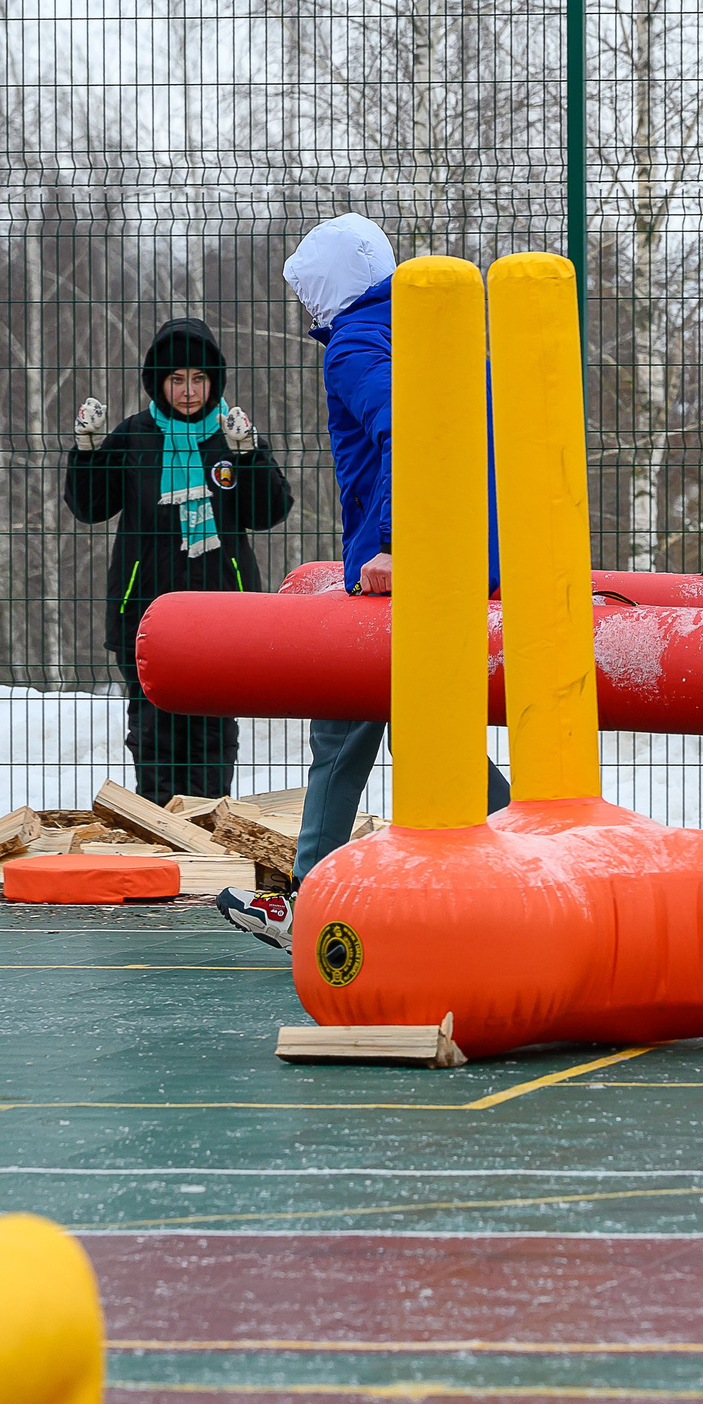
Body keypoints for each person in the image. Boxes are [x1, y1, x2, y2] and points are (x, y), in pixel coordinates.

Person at [215, 214, 509, 954]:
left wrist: (384, 544)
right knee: (424, 724)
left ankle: (309, 902)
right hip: (464, 556)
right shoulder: (431, 330)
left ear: (328, 288)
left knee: (344, 722)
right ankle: (531, 844)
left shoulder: (353, 342)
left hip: (404, 564)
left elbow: (403, 434)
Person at [67, 316, 292, 805]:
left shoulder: (229, 438)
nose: (187, 391)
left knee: (212, 729)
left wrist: (249, 455)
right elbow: (89, 507)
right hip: (145, 612)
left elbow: (269, 512)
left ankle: (210, 835)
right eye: (176, 379)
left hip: (223, 613)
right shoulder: (134, 437)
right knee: (154, 729)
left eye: (198, 379)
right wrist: (87, 449)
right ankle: (162, 836)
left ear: (213, 383)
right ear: (157, 382)